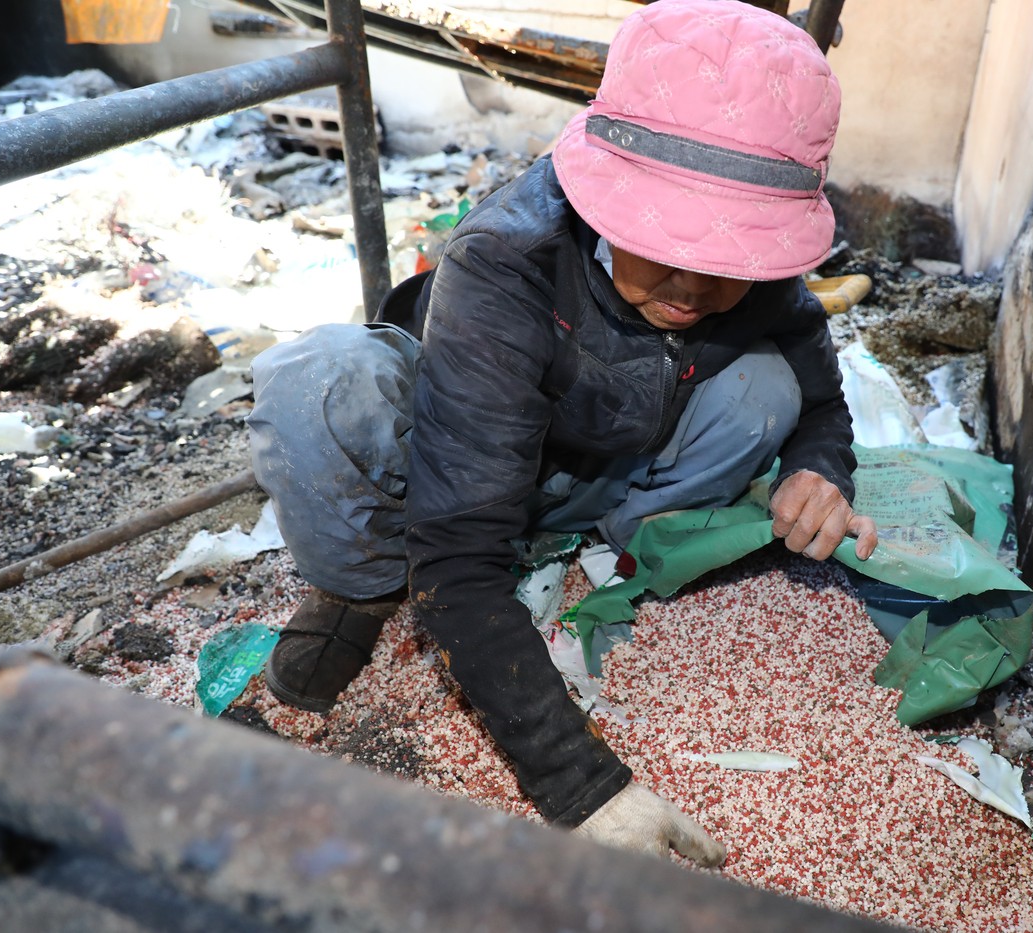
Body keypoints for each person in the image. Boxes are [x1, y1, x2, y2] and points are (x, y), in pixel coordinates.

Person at [247, 0, 876, 866]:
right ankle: (361, 584)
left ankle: (602, 540)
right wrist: (583, 788)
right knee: (322, 385)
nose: (694, 287)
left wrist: (819, 468)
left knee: (766, 387)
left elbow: (819, 396)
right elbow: (461, 559)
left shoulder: (748, 270)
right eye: (664, 245)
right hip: (464, 463)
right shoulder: (507, 262)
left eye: (726, 261)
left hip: (610, 459)